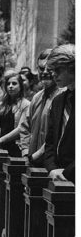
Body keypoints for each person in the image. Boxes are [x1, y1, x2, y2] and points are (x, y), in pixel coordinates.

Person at [17, 49, 60, 165]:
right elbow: (25, 127)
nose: (45, 72)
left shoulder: (63, 97)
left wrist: (34, 157)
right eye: (41, 68)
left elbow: (58, 135)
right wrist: (26, 153)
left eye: (49, 68)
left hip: (54, 165)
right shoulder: (37, 97)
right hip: (32, 163)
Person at [42, 44, 75, 182]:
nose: (53, 74)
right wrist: (52, 168)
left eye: (58, 70)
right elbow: (49, 142)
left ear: (73, 68)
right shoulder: (58, 101)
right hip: (57, 178)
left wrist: (68, 172)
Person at [0, 72, 30, 157]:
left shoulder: (26, 104)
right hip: (0, 146)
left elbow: (21, 128)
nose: (10, 86)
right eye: (8, 84)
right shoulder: (0, 105)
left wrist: (1, 140)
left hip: (16, 147)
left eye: (14, 83)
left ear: (20, 86)